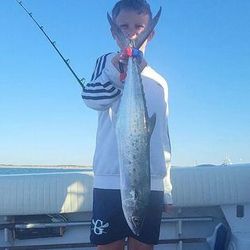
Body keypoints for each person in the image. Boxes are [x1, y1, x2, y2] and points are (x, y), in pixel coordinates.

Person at [81, 0, 172, 249]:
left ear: (150, 33)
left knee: (143, 246)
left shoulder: (159, 82)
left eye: (139, 27)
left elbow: (163, 136)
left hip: (150, 183)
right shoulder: (106, 62)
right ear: (114, 32)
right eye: (123, 26)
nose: (131, 33)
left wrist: (166, 186)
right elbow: (91, 99)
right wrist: (117, 71)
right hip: (109, 180)